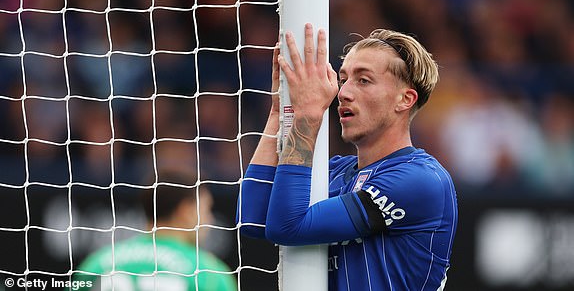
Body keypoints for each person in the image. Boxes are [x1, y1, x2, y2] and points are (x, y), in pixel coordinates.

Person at [237, 23, 458, 290]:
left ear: (405, 99)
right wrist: (279, 113)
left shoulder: (420, 179)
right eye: (343, 80)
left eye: (363, 80)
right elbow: (252, 219)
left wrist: (308, 115)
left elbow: (287, 227)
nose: (342, 93)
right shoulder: (334, 171)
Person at [75, 172, 237, 291]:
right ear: (186, 211)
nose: (211, 220)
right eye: (206, 209)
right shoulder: (208, 272)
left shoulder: (96, 264)